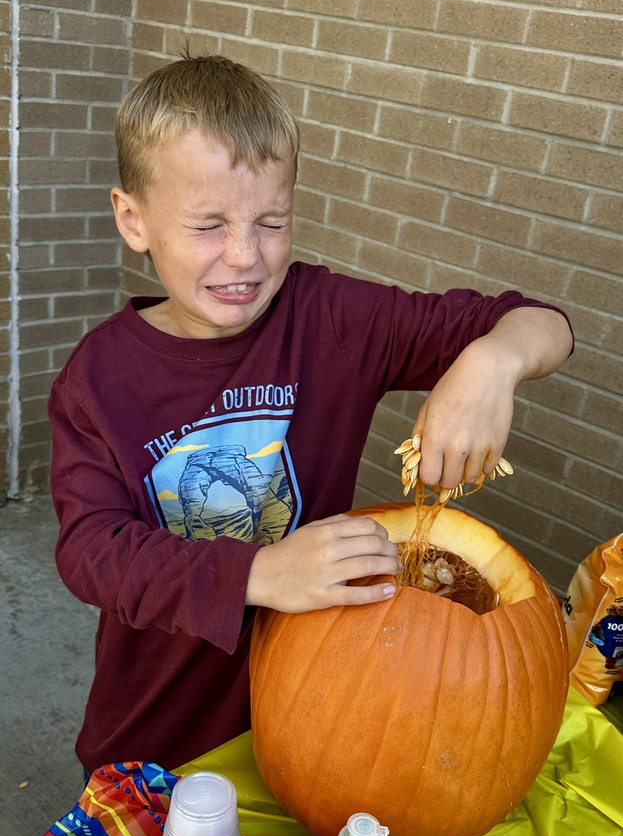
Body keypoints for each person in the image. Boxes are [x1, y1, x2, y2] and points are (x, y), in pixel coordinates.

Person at [48, 53, 574, 776]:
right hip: (155, 733)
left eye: (271, 221)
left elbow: (538, 321)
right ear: (133, 219)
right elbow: (91, 552)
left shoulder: (330, 320)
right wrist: (257, 574)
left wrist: (492, 363)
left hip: (312, 721)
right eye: (207, 226)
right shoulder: (99, 377)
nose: (244, 257)